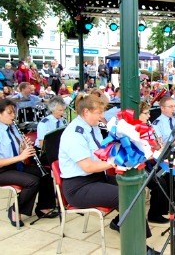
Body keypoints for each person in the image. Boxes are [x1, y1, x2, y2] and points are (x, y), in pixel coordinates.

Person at [58, 93, 156, 247]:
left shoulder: (92, 126)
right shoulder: (74, 134)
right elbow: (88, 166)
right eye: (99, 113)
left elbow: (104, 151)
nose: (102, 116)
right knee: (125, 196)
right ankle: (139, 245)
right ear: (86, 112)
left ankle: (119, 223)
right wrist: (115, 163)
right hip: (78, 187)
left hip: (96, 178)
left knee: (135, 189)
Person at [0, 98, 58, 228]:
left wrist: (24, 147)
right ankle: (15, 209)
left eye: (14, 112)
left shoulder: (12, 127)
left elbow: (16, 150)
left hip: (15, 166)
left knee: (46, 173)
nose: (13, 116)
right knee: (32, 181)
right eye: (9, 113)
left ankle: (43, 207)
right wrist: (21, 156)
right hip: (3, 170)